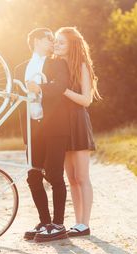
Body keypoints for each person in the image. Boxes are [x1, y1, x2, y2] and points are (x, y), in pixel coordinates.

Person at [14, 28, 70, 242]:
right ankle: (45, 222)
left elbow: (61, 86)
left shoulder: (57, 64)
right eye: (49, 39)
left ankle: (58, 224)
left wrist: (40, 87)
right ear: (37, 40)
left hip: (55, 127)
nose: (53, 42)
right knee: (33, 175)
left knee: (55, 174)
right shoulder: (20, 69)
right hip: (33, 129)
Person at [54, 26, 101, 237]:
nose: (56, 45)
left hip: (78, 123)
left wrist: (62, 90)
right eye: (55, 41)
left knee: (82, 177)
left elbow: (86, 100)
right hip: (62, 124)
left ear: (72, 45)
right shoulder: (56, 66)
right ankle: (77, 222)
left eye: (61, 42)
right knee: (71, 177)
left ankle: (85, 223)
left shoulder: (82, 65)